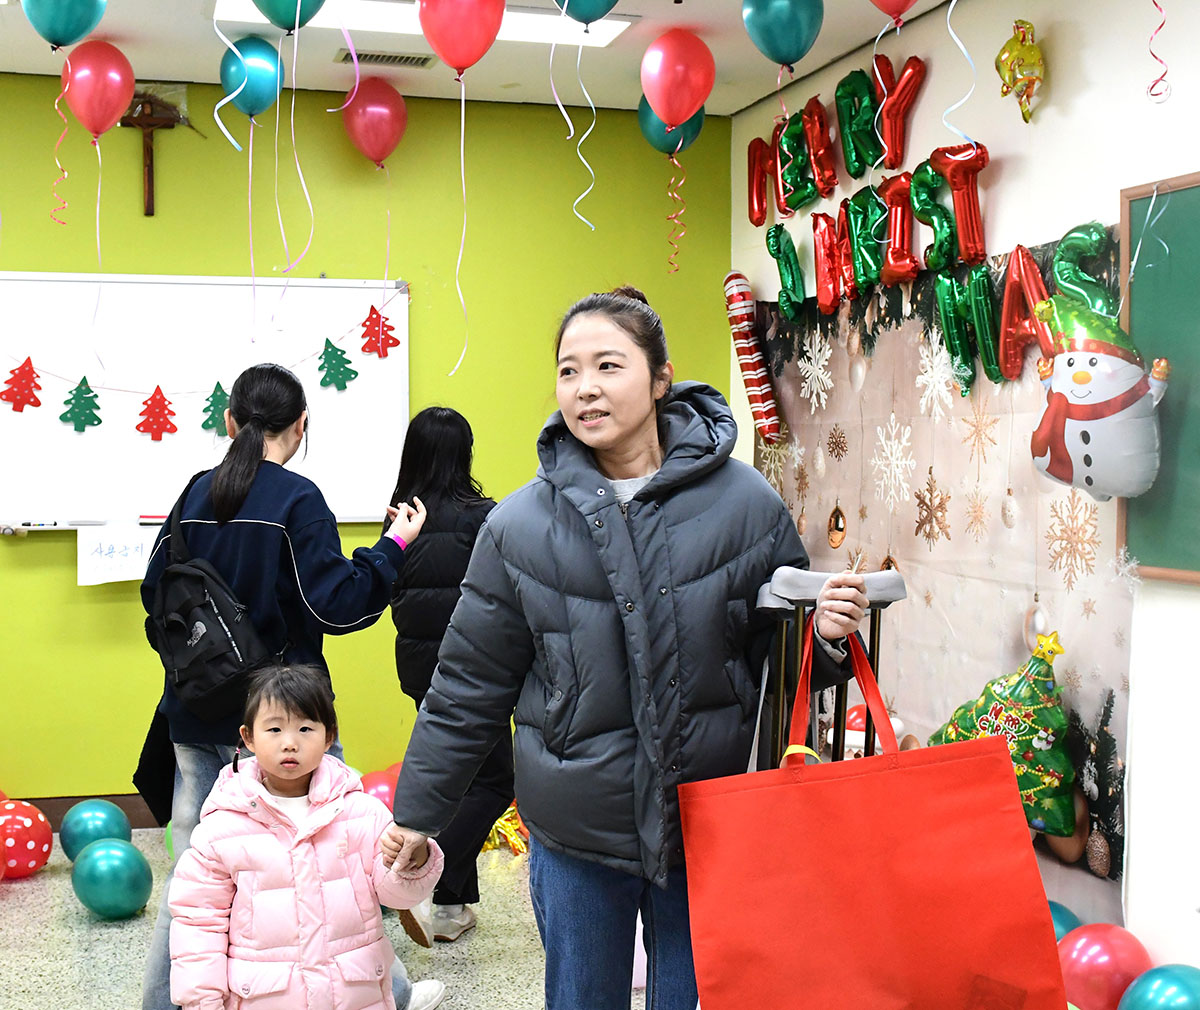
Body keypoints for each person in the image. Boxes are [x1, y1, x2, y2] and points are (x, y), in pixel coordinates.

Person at [380, 288, 870, 1010]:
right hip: (575, 831)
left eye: (608, 365)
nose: (585, 387)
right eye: (568, 370)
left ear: (661, 377)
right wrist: (416, 813)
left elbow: (774, 660)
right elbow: (467, 687)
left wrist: (822, 637)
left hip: (709, 820)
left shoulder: (745, 505)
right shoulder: (519, 527)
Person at [139, 362, 440, 1010]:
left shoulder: (194, 493)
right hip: (284, 717)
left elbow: (153, 594)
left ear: (230, 422)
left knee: (196, 879)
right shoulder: (297, 500)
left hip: (194, 711)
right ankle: (393, 993)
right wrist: (393, 546)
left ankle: (161, 1004)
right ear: (301, 426)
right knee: (336, 863)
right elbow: (337, 606)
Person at [168, 664, 445, 1010]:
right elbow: (198, 922)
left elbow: (397, 895)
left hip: (356, 996)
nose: (289, 743)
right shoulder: (222, 828)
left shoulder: (361, 812)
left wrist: (413, 861)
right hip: (267, 999)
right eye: (274, 729)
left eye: (305, 728)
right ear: (248, 737)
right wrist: (202, 1002)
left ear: (329, 737)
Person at [383, 407, 511, 946]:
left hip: (420, 668)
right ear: (464, 454)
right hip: (476, 669)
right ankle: (415, 878)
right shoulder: (485, 518)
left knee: (455, 782)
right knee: (497, 781)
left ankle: (451, 908)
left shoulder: (400, 518)